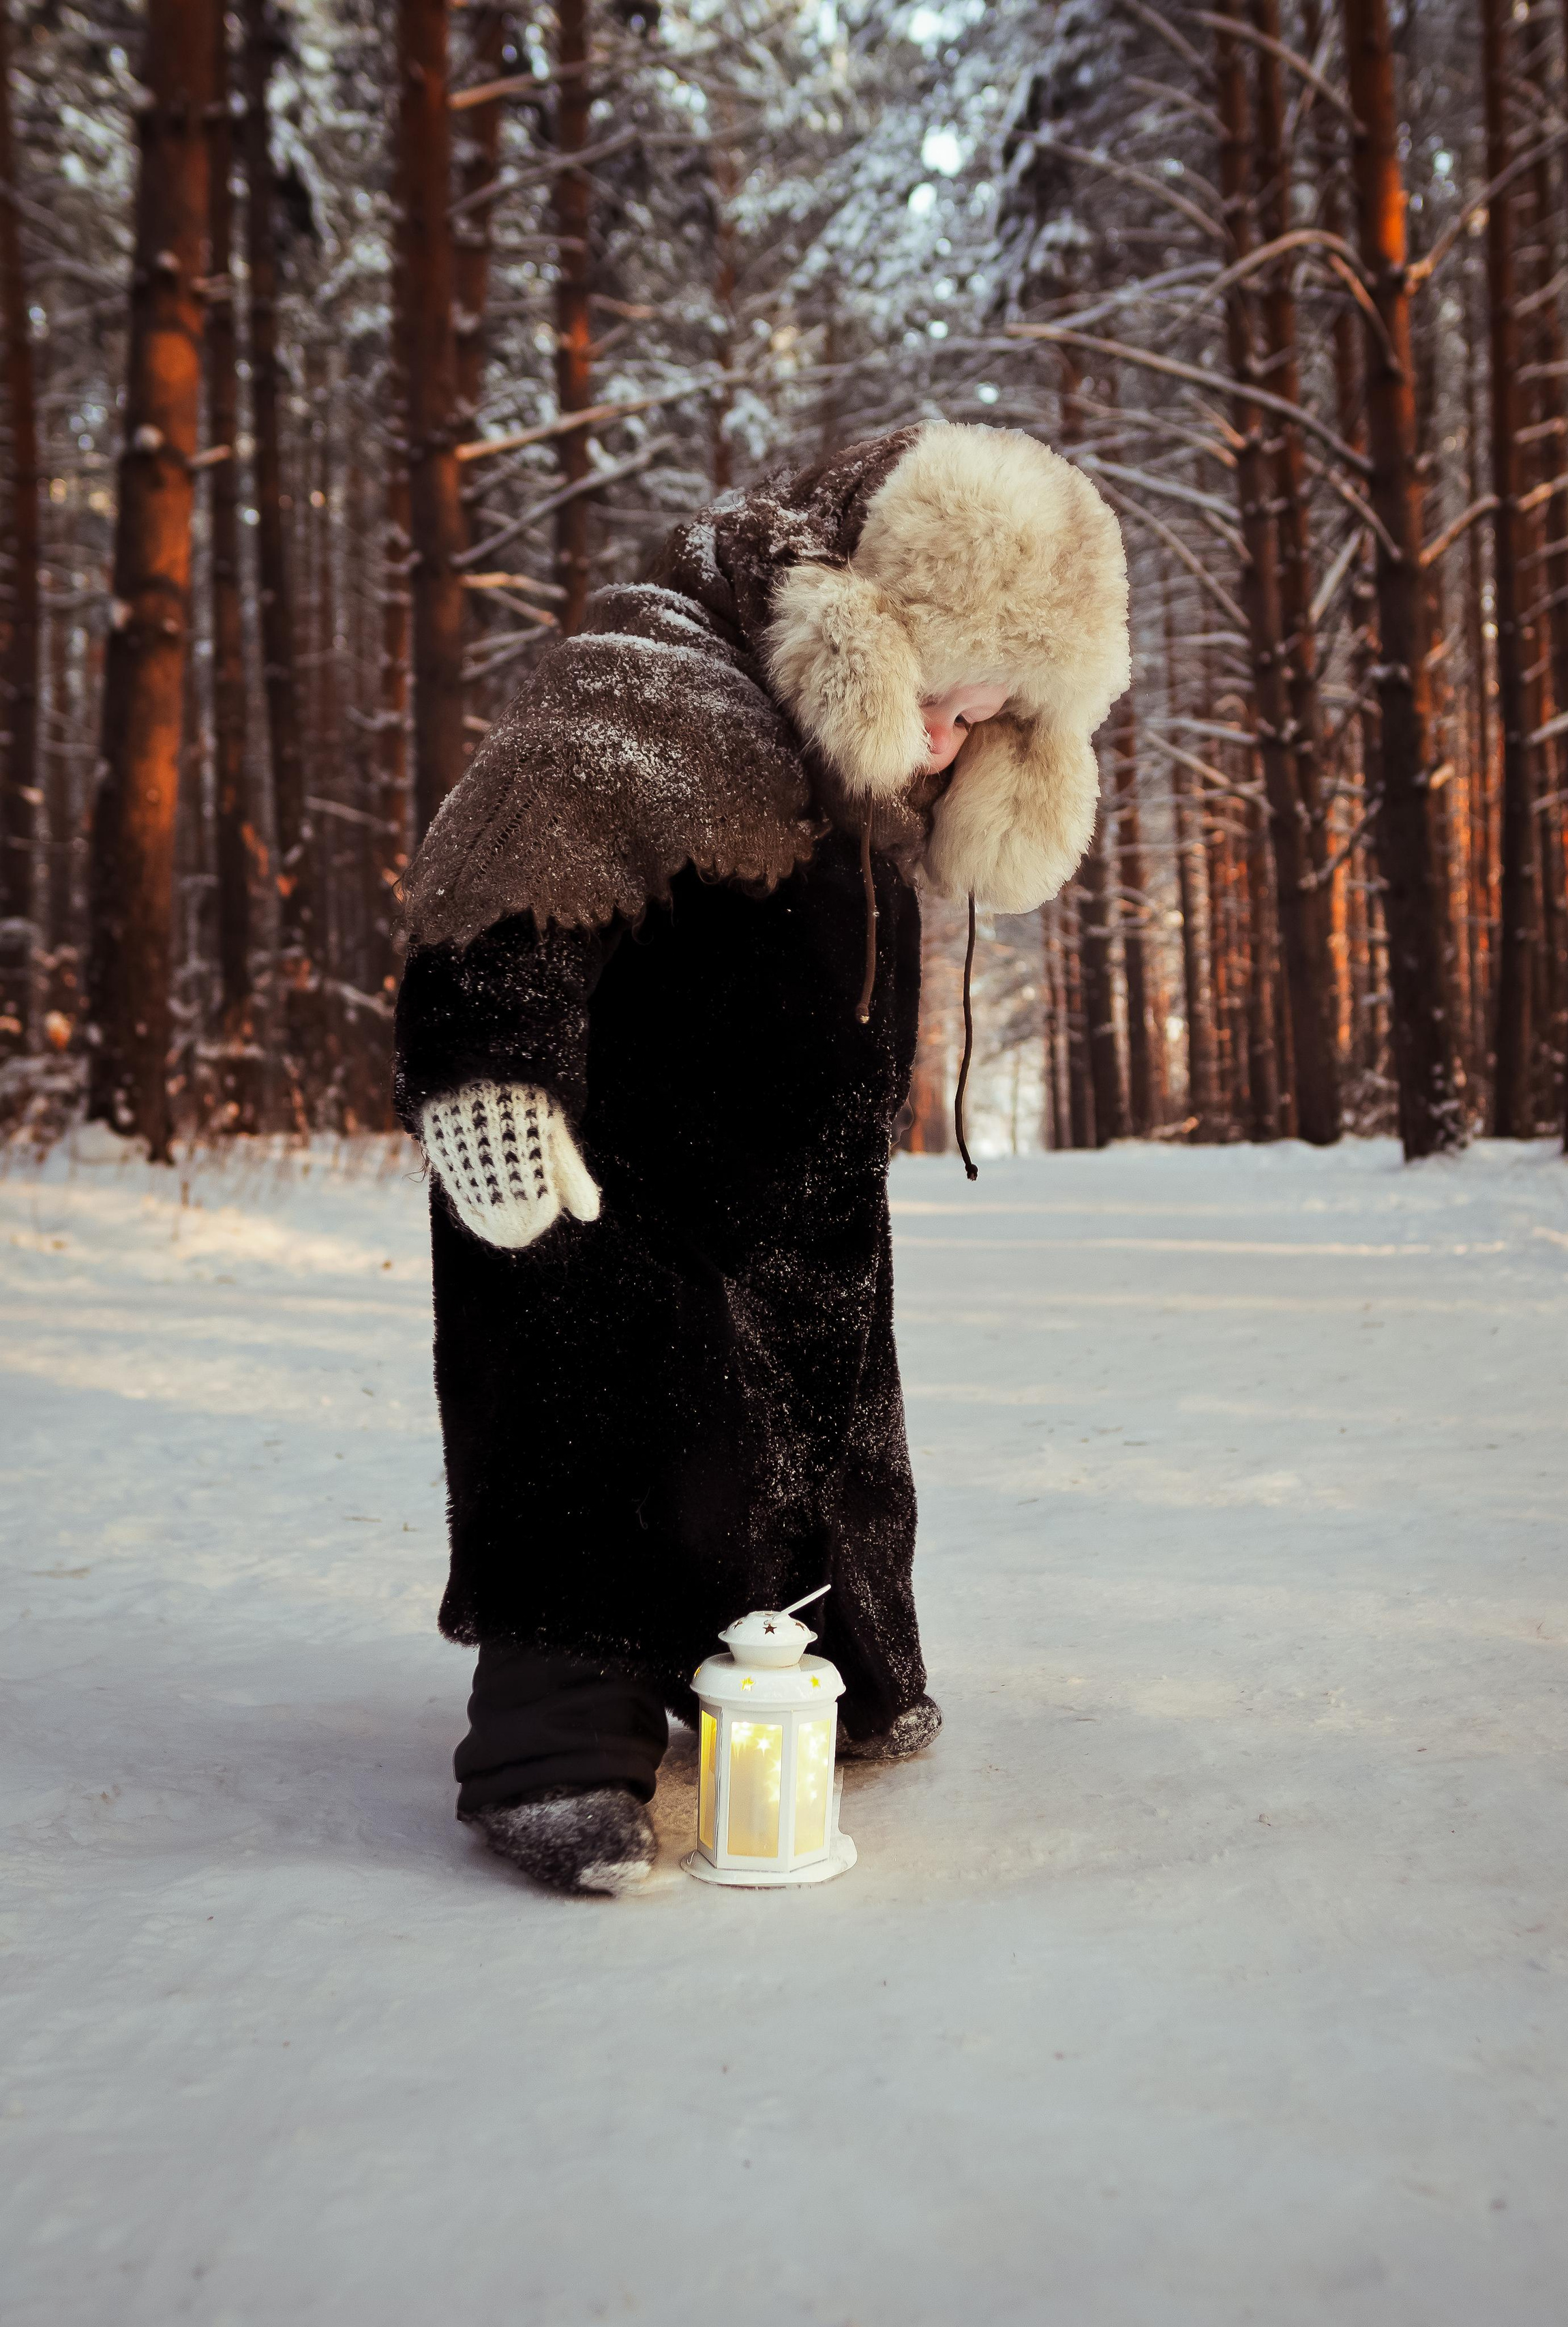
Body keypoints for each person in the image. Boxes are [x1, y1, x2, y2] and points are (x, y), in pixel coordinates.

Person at [393, 421, 1129, 1894]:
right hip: (604, 1181)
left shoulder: (859, 771)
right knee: (601, 1423)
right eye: (940, 688)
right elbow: (498, 872)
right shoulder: (653, 681)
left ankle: (816, 1667)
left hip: (797, 1193)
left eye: (988, 716)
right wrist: (492, 1076)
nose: (950, 735)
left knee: (815, 1436)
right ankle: (561, 1748)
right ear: (857, 625)